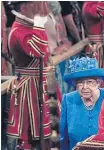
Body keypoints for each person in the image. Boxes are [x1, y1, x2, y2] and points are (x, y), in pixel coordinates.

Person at [5, 1, 53, 149]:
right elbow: (41, 50)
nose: (40, 7)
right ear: (24, 7)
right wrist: (39, 23)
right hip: (28, 89)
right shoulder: (19, 30)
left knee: (44, 133)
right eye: (35, 3)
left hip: (37, 84)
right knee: (28, 135)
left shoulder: (26, 27)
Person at [60, 57, 104, 150]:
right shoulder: (68, 99)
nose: (85, 87)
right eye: (80, 83)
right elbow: (64, 138)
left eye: (90, 82)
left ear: (98, 83)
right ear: (75, 85)